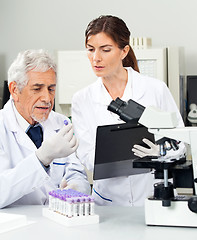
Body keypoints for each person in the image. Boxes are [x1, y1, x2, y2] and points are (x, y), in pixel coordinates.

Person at [71, 15, 185, 206]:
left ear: (124, 51)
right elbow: (86, 154)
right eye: (90, 50)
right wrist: (118, 156)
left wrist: (160, 153)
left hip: (152, 194)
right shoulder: (82, 99)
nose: (96, 58)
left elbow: (181, 144)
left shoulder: (155, 89)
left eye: (105, 50)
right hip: (108, 201)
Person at [0, 49, 90, 209]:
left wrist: (76, 188)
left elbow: (76, 172)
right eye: (37, 89)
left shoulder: (60, 122)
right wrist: (42, 158)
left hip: (57, 220)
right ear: (14, 90)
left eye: (51, 89)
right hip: (13, 226)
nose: (47, 98)